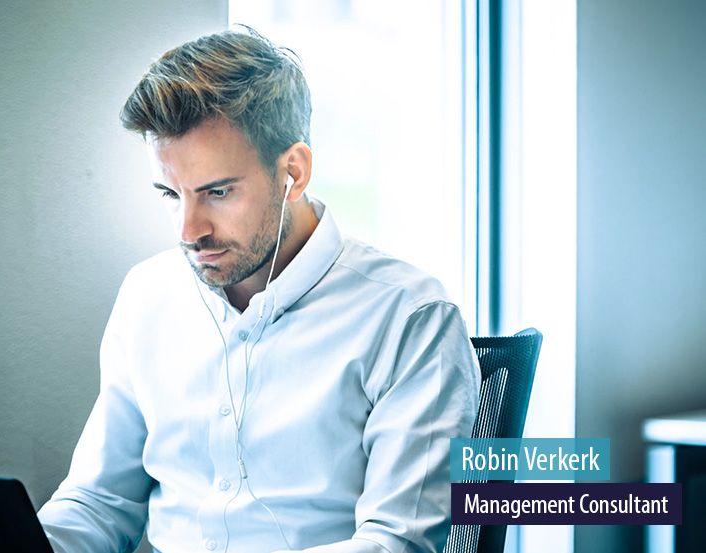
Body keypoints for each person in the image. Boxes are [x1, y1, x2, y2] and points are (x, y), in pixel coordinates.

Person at [37, 28, 480, 553]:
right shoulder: (148, 295)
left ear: (293, 172)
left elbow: (396, 542)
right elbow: (99, 501)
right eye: (171, 194)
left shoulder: (409, 316)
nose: (188, 231)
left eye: (218, 192)